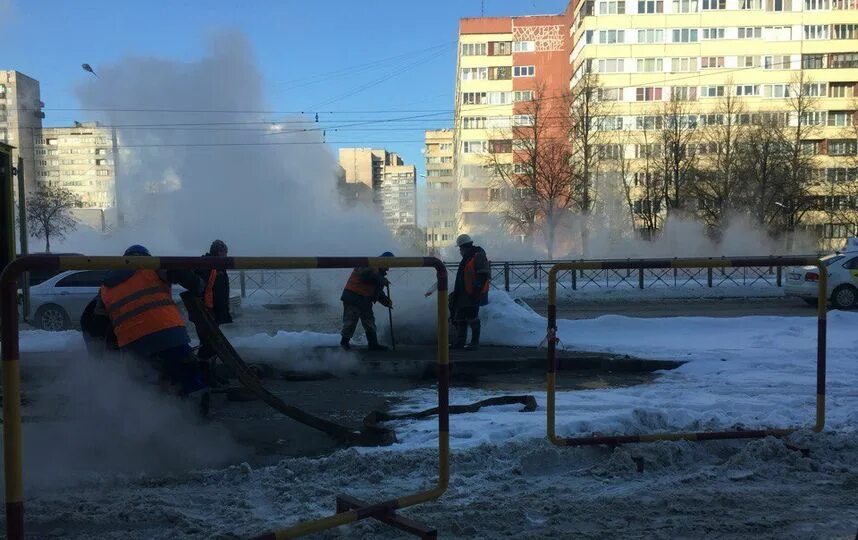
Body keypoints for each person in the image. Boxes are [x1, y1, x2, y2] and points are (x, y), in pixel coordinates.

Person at [95, 244, 211, 415]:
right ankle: (196, 418)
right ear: (145, 256)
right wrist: (199, 285)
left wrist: (109, 353)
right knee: (188, 375)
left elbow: (99, 322)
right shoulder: (151, 266)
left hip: (132, 345)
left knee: (144, 388)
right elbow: (178, 272)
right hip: (168, 335)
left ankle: (151, 425)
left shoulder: (105, 287)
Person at [340, 252, 394, 351]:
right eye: (388, 265)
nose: (388, 269)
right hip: (353, 297)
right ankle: (344, 344)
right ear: (384, 261)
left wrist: (386, 301)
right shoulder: (369, 263)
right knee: (350, 322)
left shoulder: (379, 272)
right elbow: (366, 276)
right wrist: (381, 279)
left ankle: (373, 345)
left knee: (369, 322)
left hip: (365, 300)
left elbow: (377, 291)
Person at [196, 239, 233, 364]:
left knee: (213, 343)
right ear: (218, 252)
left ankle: (210, 373)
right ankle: (204, 373)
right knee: (208, 343)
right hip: (208, 310)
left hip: (214, 310)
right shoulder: (208, 266)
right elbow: (204, 288)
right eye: (223, 252)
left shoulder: (217, 266)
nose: (226, 255)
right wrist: (207, 309)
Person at [450, 234, 490, 350]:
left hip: (472, 294)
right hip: (464, 293)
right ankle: (460, 342)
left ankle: (474, 343)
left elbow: (483, 274)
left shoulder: (477, 256)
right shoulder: (468, 257)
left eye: (460, 248)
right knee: (460, 318)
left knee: (473, 318)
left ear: (464, 247)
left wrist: (476, 291)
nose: (460, 251)